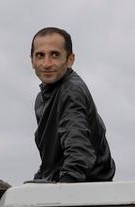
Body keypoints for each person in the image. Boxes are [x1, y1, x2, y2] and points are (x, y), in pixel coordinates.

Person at [30, 27, 115, 183]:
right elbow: (52, 161)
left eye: (55, 55)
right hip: (61, 182)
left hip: (86, 188)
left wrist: (65, 187)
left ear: (70, 59)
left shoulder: (71, 91)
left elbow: (79, 151)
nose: (46, 63)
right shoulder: (41, 98)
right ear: (32, 61)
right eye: (40, 55)